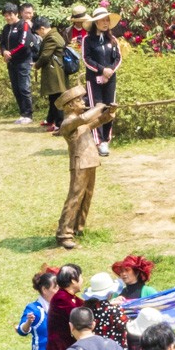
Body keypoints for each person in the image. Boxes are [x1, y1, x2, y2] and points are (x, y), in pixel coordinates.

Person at [55, 85, 115, 248]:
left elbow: (97, 121)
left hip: (90, 161)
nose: (83, 102)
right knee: (75, 197)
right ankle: (64, 234)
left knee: (87, 195)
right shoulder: (69, 122)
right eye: (79, 100)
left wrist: (109, 113)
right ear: (70, 106)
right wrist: (98, 107)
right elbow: (84, 119)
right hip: (79, 163)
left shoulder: (80, 122)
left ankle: (78, 227)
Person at [82, 8, 120, 153]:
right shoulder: (87, 39)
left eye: (107, 20)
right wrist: (101, 70)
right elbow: (86, 59)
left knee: (110, 108)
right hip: (93, 80)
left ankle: (106, 139)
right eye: (102, 20)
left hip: (110, 79)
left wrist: (109, 71)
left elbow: (117, 58)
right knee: (96, 108)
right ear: (95, 22)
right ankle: (98, 141)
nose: (105, 23)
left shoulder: (113, 39)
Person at [0, 3, 37, 121]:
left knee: (23, 88)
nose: (8, 17)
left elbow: (24, 44)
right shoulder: (6, 28)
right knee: (16, 88)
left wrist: (11, 53)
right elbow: (2, 43)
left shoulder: (23, 25)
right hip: (11, 62)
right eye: (5, 15)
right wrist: (4, 52)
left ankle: (28, 114)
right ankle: (22, 113)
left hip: (23, 61)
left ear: (16, 14)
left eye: (10, 15)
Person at [35, 16, 71, 129]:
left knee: (57, 98)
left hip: (55, 72)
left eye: (38, 32)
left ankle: (59, 124)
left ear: (42, 28)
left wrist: (37, 65)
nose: (39, 34)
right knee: (53, 97)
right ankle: (51, 119)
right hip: (56, 70)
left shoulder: (51, 37)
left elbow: (45, 55)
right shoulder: (55, 34)